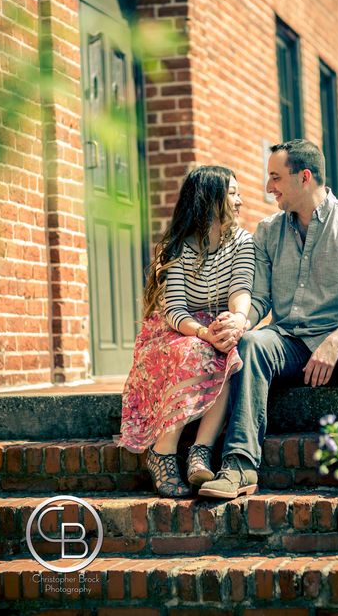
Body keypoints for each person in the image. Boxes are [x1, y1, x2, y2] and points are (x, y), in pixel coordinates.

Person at [199, 139, 338, 500]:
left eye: (275, 177)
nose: (268, 187)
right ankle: (239, 466)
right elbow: (260, 299)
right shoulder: (268, 231)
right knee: (252, 343)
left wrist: (334, 341)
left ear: (304, 177)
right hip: (288, 342)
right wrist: (241, 323)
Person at [115, 165, 255, 497]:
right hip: (175, 330)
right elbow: (174, 310)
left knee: (232, 352)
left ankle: (200, 451)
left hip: (219, 324)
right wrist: (204, 333)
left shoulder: (243, 243)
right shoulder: (177, 246)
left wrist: (237, 319)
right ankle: (163, 451)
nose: (241, 200)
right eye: (233, 193)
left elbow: (241, 288)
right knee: (193, 350)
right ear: (211, 199)